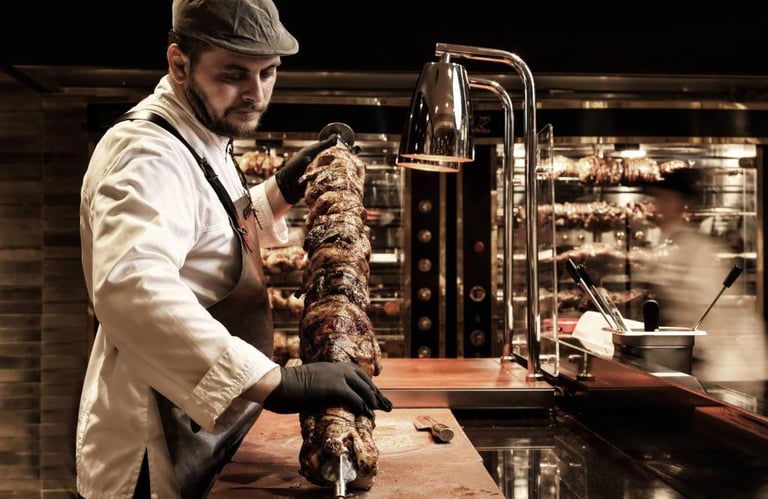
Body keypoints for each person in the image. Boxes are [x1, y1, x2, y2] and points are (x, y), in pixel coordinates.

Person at [76, 1, 392, 497]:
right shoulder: (147, 154)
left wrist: (280, 191)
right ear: (179, 63)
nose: (256, 94)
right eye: (234, 74)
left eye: (268, 73)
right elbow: (132, 290)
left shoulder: (200, 134)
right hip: (156, 452)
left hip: (209, 434)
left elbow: (209, 238)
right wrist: (276, 383)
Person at [634, 167, 768, 382]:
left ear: (680, 203)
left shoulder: (697, 250)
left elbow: (713, 313)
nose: (656, 205)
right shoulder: (671, 243)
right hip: (699, 360)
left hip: (724, 367)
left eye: (662, 199)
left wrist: (695, 355)